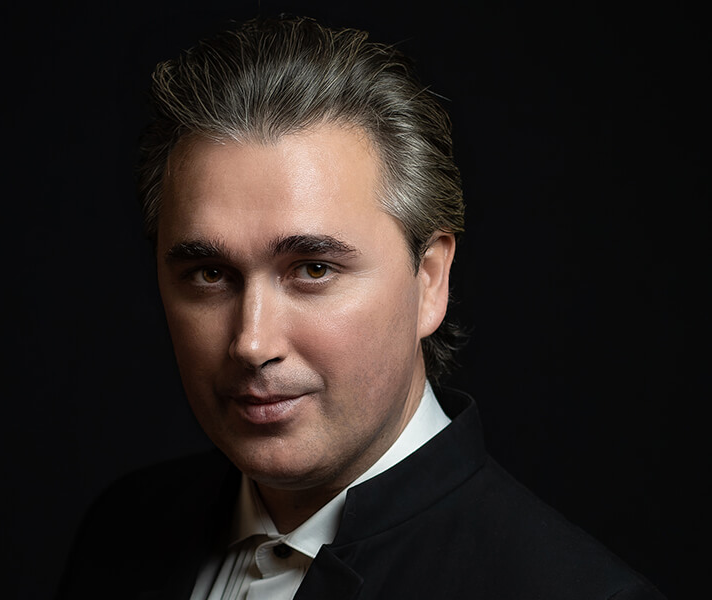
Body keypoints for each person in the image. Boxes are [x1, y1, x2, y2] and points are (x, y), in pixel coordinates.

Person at [56, 15, 665, 600]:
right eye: (210, 274)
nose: (251, 342)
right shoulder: (123, 530)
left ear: (430, 280)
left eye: (313, 269)